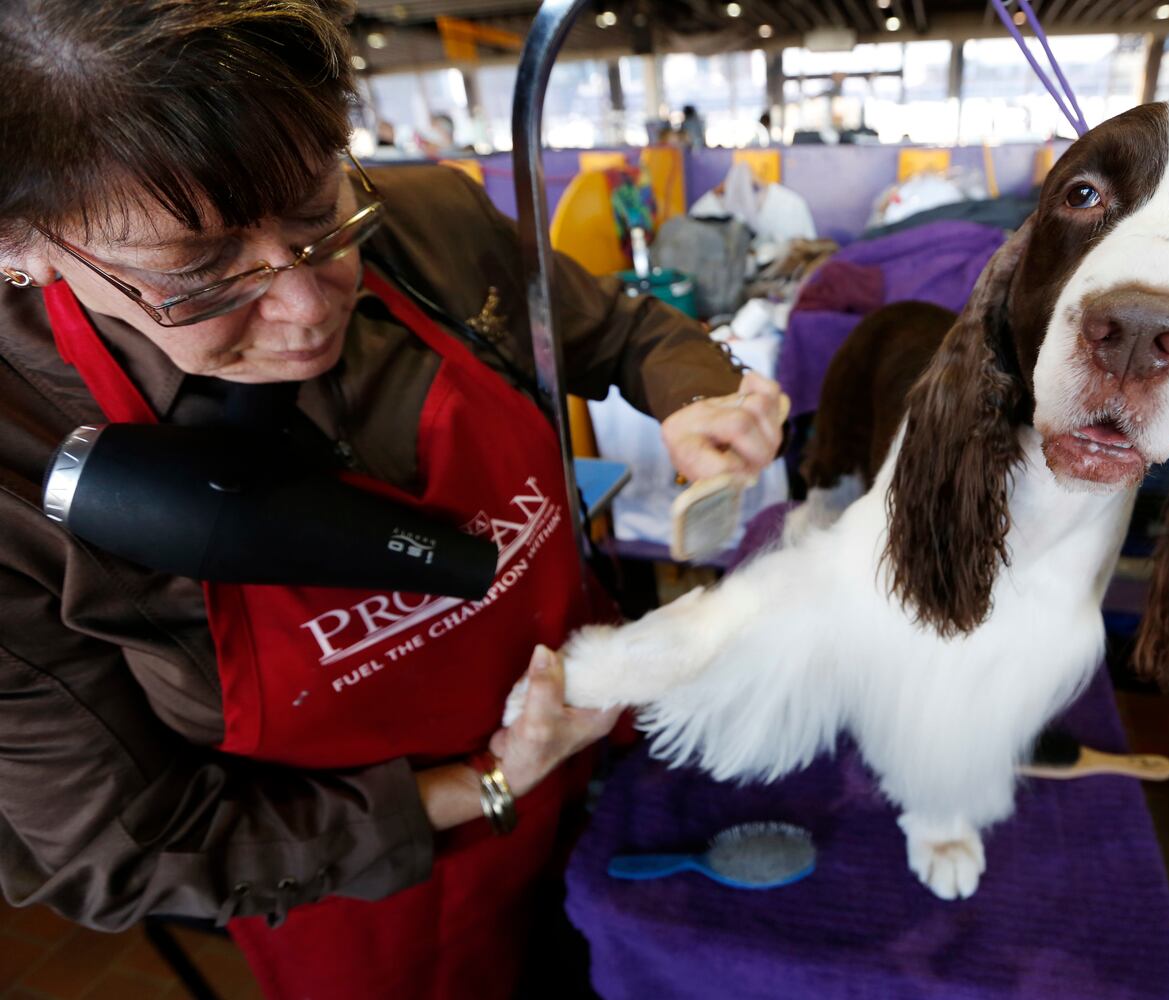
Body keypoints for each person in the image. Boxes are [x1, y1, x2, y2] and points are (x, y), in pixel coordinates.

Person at [0, 2, 785, 998]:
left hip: (601, 752)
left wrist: (700, 400)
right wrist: (490, 781)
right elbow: (120, 848)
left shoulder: (433, 223)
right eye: (200, 276)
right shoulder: (18, 473)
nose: (306, 303)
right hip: (383, 895)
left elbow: (621, 330)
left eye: (321, 213)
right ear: (18, 246)